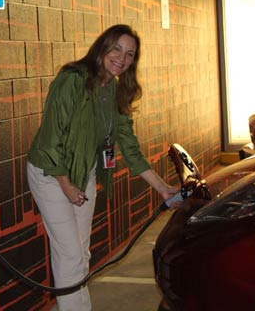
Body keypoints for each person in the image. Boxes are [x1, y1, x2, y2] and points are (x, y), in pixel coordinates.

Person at [26, 24, 179, 310]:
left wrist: (162, 188)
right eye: (117, 48)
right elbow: (50, 138)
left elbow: (129, 146)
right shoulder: (72, 80)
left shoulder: (116, 90)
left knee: (80, 254)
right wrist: (65, 184)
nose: (122, 58)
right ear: (102, 46)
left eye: (130, 54)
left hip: (83, 173)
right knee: (70, 255)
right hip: (51, 173)